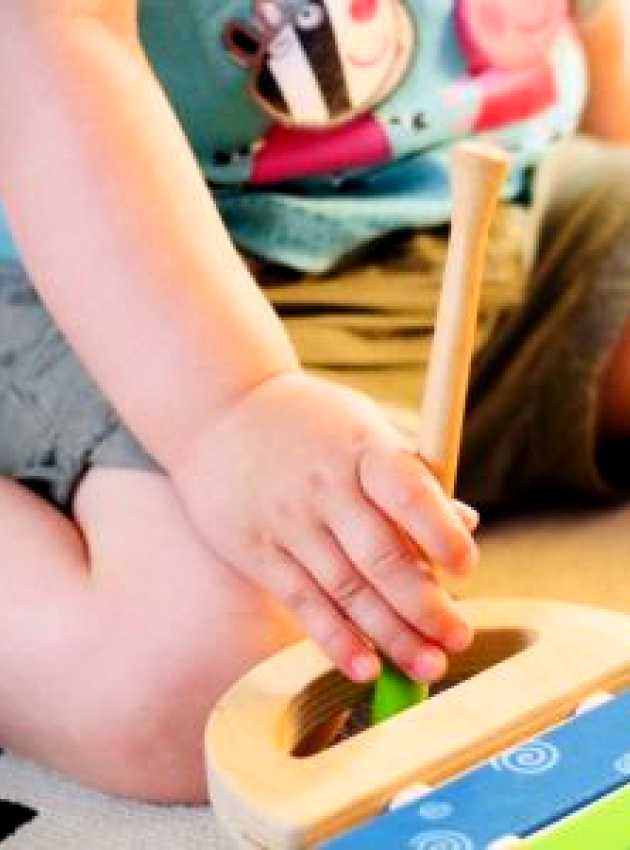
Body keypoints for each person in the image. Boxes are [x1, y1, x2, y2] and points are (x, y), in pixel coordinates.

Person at [0, 0, 627, 803]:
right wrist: (234, 411)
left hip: (504, 195)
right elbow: (54, 43)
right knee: (216, 686)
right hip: (134, 285)